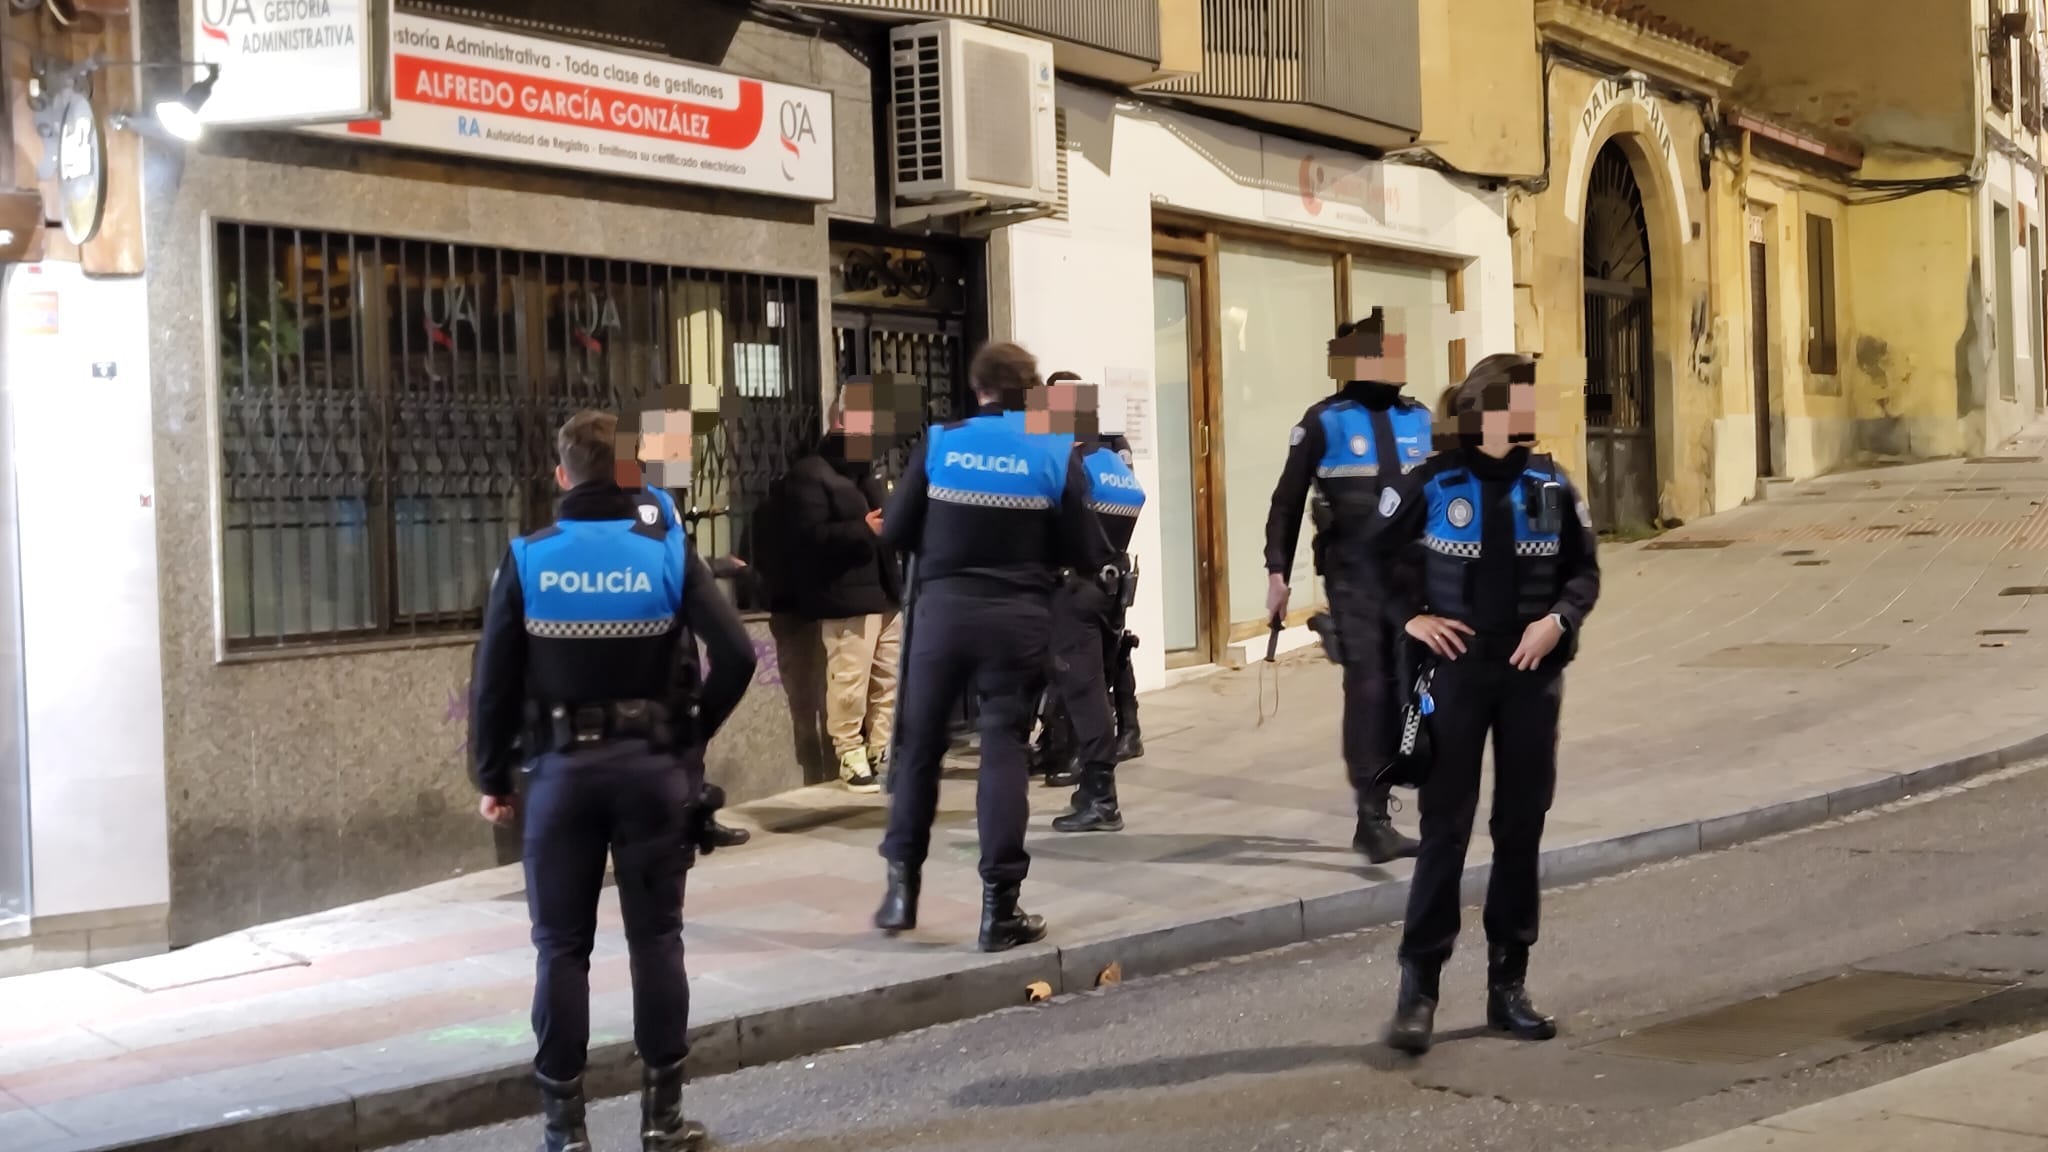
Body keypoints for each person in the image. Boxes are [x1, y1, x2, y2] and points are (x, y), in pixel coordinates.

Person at [469, 410, 756, 1152]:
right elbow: (737, 653)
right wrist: (688, 733)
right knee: (656, 939)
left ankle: (566, 1133)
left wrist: (492, 775)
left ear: (561, 475)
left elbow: (493, 685)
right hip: (651, 775)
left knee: (561, 947)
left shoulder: (527, 558)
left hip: (560, 776)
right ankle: (661, 1122)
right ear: (629, 473)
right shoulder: (663, 551)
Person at [1367, 353, 1601, 1056]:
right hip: (1455, 675)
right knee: (1445, 830)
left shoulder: (1552, 483)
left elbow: (1584, 572)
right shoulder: (1433, 481)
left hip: (1531, 676)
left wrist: (1558, 618)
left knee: (1520, 827)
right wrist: (1410, 619)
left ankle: (1509, 988)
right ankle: (1419, 991)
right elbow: (1367, 560)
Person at [873, 342, 1107, 952]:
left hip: (941, 617)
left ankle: (902, 888)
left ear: (976, 388)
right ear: (1031, 392)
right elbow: (1085, 550)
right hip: (1019, 619)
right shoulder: (1054, 449)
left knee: (919, 747)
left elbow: (895, 532)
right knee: (1002, 748)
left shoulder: (943, 440)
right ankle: (999, 909)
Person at [1264, 310, 1434, 863]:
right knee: (1371, 685)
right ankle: (1372, 816)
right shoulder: (1324, 421)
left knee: (1414, 686)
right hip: (1354, 578)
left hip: (1415, 580)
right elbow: (1286, 503)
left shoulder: (1421, 419)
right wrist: (1276, 574)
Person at [782, 380, 904, 793]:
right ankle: (849, 751)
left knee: (887, 677)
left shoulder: (869, 471)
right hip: (845, 594)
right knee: (849, 679)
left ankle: (880, 747)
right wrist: (862, 530)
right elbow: (806, 538)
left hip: (884, 591)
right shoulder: (811, 474)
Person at [1039, 371, 1146, 834]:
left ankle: (1100, 796)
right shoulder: (1111, 463)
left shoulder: (1068, 462)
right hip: (1107, 588)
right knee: (1093, 686)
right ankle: (1090, 782)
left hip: (1072, 589)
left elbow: (1061, 529)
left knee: (1081, 691)